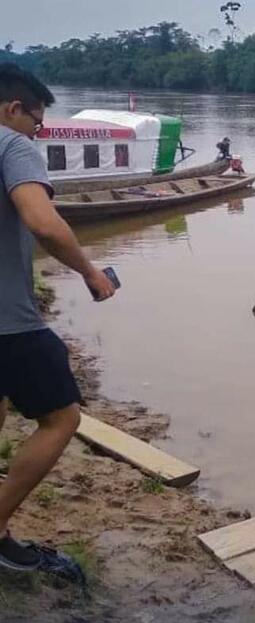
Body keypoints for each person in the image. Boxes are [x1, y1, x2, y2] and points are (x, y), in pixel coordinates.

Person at [0, 64, 116, 571]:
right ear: (13, 109)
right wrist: (90, 272)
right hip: (8, 319)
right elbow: (42, 221)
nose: (38, 133)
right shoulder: (12, 145)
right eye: (37, 122)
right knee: (61, 417)